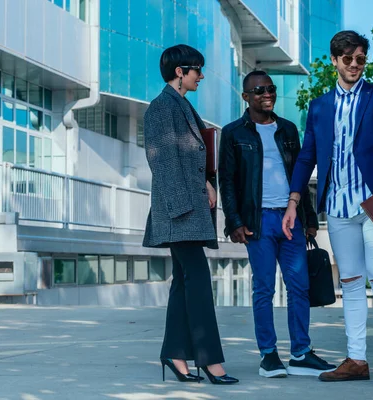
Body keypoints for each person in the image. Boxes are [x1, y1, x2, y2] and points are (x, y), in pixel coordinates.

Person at [282, 31, 373, 385]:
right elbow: (307, 156)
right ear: (335, 61)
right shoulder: (320, 106)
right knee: (350, 282)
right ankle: (356, 359)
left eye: (360, 59)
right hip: (337, 206)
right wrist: (294, 201)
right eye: (348, 59)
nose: (355, 65)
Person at [218, 70, 336, 378]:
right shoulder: (234, 133)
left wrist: (309, 218)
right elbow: (226, 181)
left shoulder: (287, 129)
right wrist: (234, 222)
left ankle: (300, 353)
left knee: (300, 286)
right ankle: (268, 355)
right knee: (264, 288)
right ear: (246, 97)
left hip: (290, 218)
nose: (266, 94)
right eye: (259, 90)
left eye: (270, 88)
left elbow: (299, 175)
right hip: (257, 221)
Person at [142, 44, 238, 385]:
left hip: (188, 210)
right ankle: (210, 361)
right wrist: (183, 209)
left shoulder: (181, 106)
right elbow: (163, 164)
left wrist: (209, 184)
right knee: (197, 283)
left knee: (184, 284)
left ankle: (174, 354)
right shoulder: (160, 108)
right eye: (197, 69)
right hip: (178, 213)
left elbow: (196, 157)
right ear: (180, 71)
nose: (201, 75)